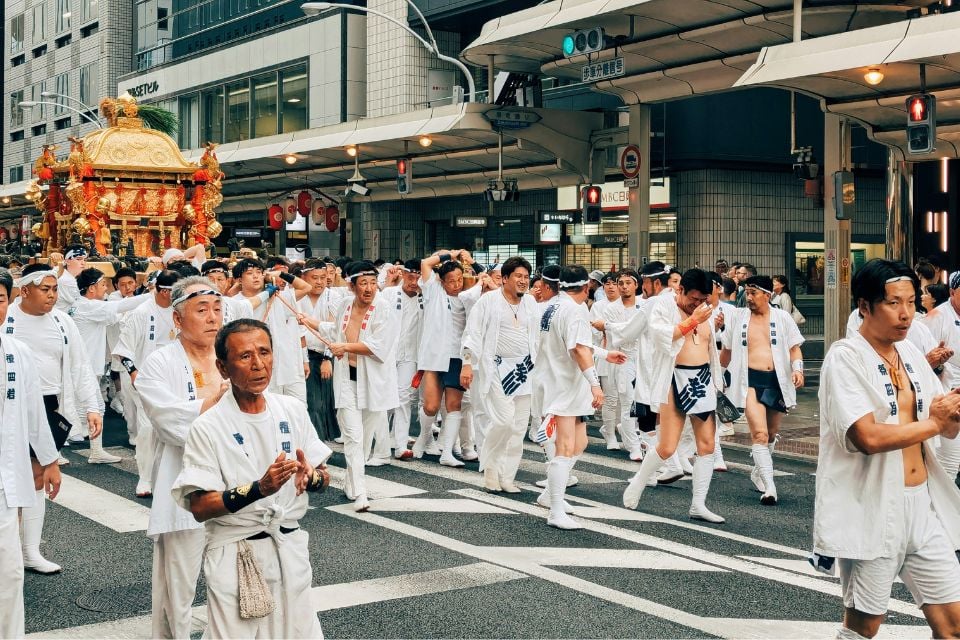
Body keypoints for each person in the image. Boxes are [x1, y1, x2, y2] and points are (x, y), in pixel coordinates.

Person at [816, 259, 960, 640]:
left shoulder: (910, 354)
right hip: (874, 507)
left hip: (923, 507)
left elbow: (941, 418)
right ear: (864, 306)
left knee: (954, 625)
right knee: (864, 627)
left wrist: (953, 410)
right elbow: (866, 437)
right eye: (894, 303)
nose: (906, 314)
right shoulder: (845, 357)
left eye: (912, 302)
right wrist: (936, 422)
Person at [172, 318, 329, 638]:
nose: (258, 364)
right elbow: (200, 505)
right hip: (237, 555)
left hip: (290, 550)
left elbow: (323, 477)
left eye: (264, 352)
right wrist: (260, 489)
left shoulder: (292, 410)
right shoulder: (208, 426)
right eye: (245, 356)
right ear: (223, 367)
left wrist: (310, 478)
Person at [137, 277, 229, 639]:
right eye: (201, 310)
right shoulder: (159, 363)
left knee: (232, 578)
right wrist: (217, 402)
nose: (212, 318)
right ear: (177, 319)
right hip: (185, 483)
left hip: (234, 483)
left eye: (218, 309)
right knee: (179, 585)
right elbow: (169, 422)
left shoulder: (231, 355)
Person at [6, 264, 103, 574]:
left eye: (54, 289)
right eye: (45, 289)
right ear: (25, 291)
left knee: (38, 475)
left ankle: (29, 551)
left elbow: (79, 365)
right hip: (8, 404)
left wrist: (91, 406)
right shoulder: (6, 317)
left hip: (49, 404)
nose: (51, 295)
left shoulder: (62, 322)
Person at [623, 269, 725, 523]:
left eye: (703, 300)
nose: (697, 304)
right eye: (693, 299)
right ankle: (639, 481)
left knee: (707, 445)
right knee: (667, 446)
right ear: (680, 290)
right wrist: (692, 320)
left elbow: (711, 343)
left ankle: (698, 504)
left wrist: (711, 322)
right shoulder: (663, 306)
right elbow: (661, 337)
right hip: (674, 377)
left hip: (701, 378)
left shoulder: (706, 311)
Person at [536, 265, 625, 529]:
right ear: (587, 287)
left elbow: (579, 344)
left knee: (580, 442)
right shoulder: (575, 310)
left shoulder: (551, 307)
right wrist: (595, 385)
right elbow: (578, 350)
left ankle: (550, 494)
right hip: (564, 384)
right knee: (565, 446)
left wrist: (603, 353)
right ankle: (554, 510)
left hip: (555, 381)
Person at [0, 268, 61, 637]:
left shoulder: (15, 352)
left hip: (5, 481)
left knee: (8, 573)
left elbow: (33, 410)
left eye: (0, 298)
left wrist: (48, 459)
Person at [318, 261, 400, 512]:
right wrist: (308, 322)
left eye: (373, 283)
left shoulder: (384, 309)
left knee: (364, 439)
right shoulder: (344, 304)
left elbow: (380, 345)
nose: (369, 288)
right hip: (346, 381)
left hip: (374, 382)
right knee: (353, 437)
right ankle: (362, 493)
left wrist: (345, 348)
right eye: (363, 283)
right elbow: (334, 331)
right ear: (352, 285)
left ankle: (353, 482)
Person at [720, 275, 804, 505]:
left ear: (767, 295)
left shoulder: (782, 317)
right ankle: (770, 487)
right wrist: (718, 374)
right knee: (759, 434)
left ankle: (759, 471)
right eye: (746, 292)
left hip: (776, 381)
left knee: (772, 433)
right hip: (750, 382)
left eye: (753, 293)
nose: (749, 297)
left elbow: (794, 348)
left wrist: (798, 370)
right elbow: (726, 351)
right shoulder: (739, 317)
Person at [461, 256, 538, 493]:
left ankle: (507, 477)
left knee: (517, 428)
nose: (523, 281)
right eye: (518, 276)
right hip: (496, 368)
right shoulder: (488, 302)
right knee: (503, 421)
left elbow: (539, 337)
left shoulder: (531, 303)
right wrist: (466, 363)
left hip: (524, 369)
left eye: (526, 277)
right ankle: (491, 468)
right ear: (504, 279)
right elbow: (472, 333)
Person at [113, 270, 181, 498]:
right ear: (163, 291)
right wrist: (134, 374)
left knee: (176, 427)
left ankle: (173, 475)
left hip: (177, 376)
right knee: (147, 429)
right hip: (148, 378)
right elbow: (124, 350)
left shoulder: (180, 310)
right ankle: (145, 477)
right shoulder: (141, 313)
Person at [70, 267, 149, 463]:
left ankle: (93, 451)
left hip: (84, 365)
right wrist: (153, 294)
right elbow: (123, 307)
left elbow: (116, 315)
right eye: (102, 284)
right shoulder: (88, 306)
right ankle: (76, 452)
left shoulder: (87, 306)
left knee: (85, 409)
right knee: (91, 408)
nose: (106, 288)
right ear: (91, 288)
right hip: (83, 366)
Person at [412, 250, 481, 466]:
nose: (456, 284)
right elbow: (425, 263)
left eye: (460, 279)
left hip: (457, 357)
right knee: (431, 406)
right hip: (433, 356)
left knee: (454, 405)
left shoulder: (468, 296)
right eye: (451, 280)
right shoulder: (433, 290)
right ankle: (423, 438)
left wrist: (471, 262)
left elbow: (486, 277)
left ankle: (447, 453)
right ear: (442, 281)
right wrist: (448, 255)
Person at [296, 258, 342, 442]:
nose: (320, 282)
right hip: (301, 355)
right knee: (311, 402)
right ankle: (313, 443)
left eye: (323, 277)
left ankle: (319, 443)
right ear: (303, 277)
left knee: (325, 402)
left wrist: (326, 358)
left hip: (325, 355)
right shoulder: (296, 297)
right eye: (314, 277)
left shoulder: (332, 297)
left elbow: (334, 329)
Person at [381, 259, 423, 459]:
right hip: (387, 354)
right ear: (403, 275)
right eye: (410, 276)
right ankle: (380, 440)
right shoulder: (389, 294)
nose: (414, 282)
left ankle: (400, 445)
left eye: (418, 277)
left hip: (411, 355)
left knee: (404, 398)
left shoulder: (425, 298)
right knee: (386, 399)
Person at [54, 244, 86, 312]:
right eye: (78, 259)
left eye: (84, 259)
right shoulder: (67, 280)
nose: (83, 263)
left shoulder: (66, 275)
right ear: (67, 261)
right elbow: (80, 305)